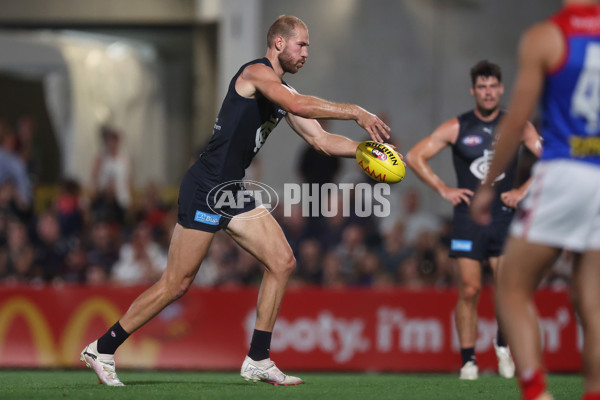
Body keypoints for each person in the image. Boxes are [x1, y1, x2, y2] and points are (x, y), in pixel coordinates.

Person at [80, 14, 391, 387]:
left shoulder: (282, 93)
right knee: (176, 284)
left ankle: (258, 358)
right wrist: (356, 111)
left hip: (230, 190)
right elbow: (304, 106)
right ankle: (103, 347)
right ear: (279, 43)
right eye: (301, 44)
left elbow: (321, 140)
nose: (306, 52)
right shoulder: (257, 74)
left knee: (282, 261)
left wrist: (365, 151)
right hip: (206, 187)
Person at [471, 2, 600, 399]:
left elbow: (516, 120)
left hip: (563, 173)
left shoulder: (547, 37)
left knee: (511, 285)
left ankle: (535, 390)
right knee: (592, 300)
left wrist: (488, 185)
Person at [405, 60, 541, 380]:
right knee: (469, 289)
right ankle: (468, 361)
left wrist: (523, 189)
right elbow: (414, 156)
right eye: (482, 87)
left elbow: (551, 156)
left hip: (504, 215)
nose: (488, 92)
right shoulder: (458, 126)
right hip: (468, 215)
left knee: (507, 288)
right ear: (473, 91)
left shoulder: (517, 124)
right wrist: (442, 188)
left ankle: (503, 345)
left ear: (501, 88)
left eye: (493, 86)